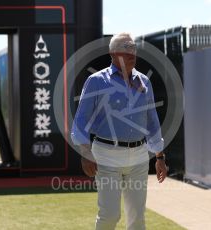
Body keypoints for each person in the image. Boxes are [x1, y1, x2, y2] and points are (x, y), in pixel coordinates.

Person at [71, 33, 167, 230]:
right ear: (113, 54)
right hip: (106, 155)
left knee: (137, 218)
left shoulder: (143, 82)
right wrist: (85, 153)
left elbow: (152, 121)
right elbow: (81, 120)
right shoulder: (96, 81)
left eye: (133, 49)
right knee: (110, 216)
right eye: (126, 50)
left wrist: (160, 156)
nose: (132, 54)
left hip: (139, 156)